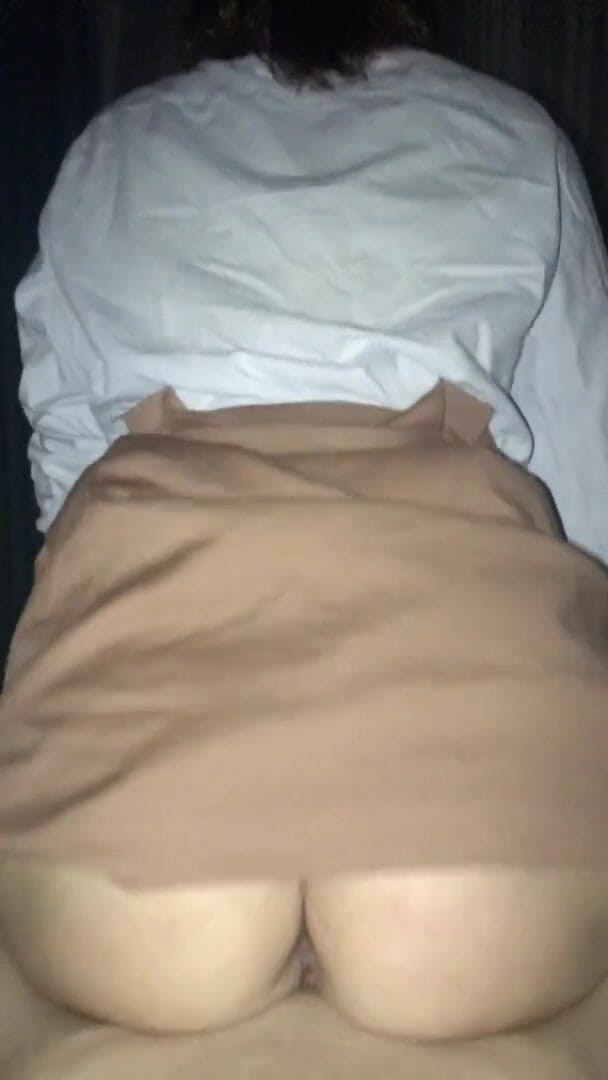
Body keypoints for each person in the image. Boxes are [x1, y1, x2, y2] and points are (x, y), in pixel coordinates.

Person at [2, 0, 608, 1044]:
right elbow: (583, 458)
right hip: (457, 601)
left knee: (168, 946)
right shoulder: (511, 130)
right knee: (437, 947)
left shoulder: (116, 141)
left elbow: (64, 454)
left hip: (155, 606)